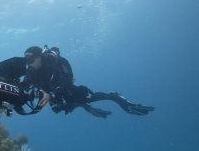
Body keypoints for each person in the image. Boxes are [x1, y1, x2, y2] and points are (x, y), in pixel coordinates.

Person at [22, 45, 155, 118]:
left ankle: (116, 98)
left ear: (40, 57)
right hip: (54, 97)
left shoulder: (59, 62)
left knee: (85, 97)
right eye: (25, 61)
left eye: (30, 60)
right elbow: (25, 86)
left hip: (67, 90)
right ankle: (85, 107)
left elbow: (67, 81)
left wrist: (54, 93)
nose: (28, 64)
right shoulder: (30, 72)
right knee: (60, 108)